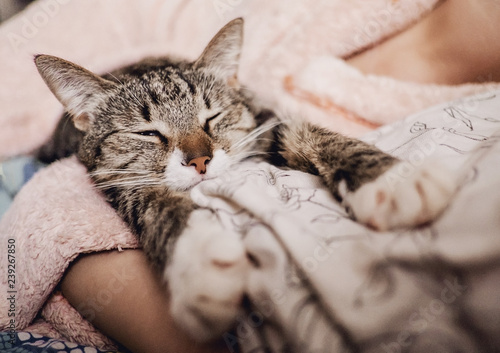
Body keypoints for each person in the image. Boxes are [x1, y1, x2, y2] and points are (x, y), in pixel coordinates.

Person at [35, 0, 500, 352]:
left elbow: (275, 132)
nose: (198, 155)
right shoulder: (91, 131)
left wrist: (363, 166)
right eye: (148, 134)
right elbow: (99, 180)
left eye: (211, 122)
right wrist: (174, 232)